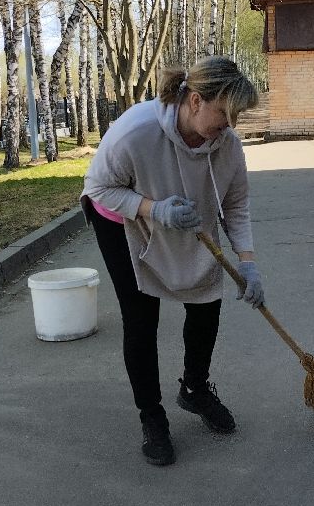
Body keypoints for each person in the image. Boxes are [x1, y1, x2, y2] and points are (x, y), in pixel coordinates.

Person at [81, 56, 264, 467]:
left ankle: (195, 389)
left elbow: (235, 203)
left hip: (181, 214)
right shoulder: (137, 132)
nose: (229, 127)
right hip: (123, 217)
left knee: (206, 300)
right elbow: (98, 189)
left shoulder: (225, 143)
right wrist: (153, 210)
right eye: (224, 114)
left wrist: (248, 263)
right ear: (195, 101)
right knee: (141, 316)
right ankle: (152, 415)